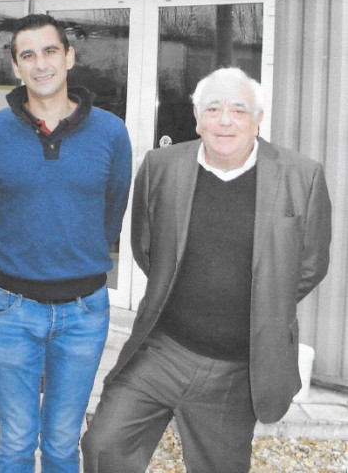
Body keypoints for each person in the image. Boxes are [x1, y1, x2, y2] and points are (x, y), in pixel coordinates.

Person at [81, 67, 332, 472]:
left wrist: (258, 303)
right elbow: (147, 249)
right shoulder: (161, 166)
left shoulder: (301, 176)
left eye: (238, 109)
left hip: (237, 367)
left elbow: (310, 265)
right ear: (197, 118)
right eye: (212, 109)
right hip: (163, 350)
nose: (225, 121)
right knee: (103, 445)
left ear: (258, 119)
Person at [0, 14, 132, 473]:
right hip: (10, 309)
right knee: (16, 441)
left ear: (69, 56)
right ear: (15, 67)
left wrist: (75, 256)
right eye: (28, 55)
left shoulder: (110, 132)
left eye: (50, 51)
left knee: (64, 443)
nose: (40, 63)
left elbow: (113, 213)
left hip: (85, 313)